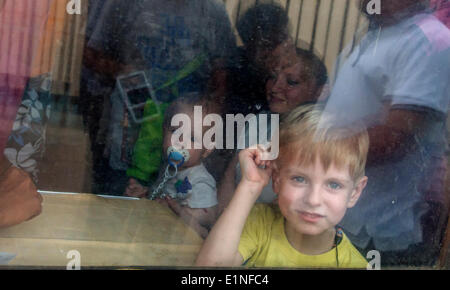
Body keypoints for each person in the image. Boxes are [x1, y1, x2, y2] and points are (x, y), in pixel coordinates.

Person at [320, 0, 450, 266]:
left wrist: (310, 155)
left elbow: (395, 138)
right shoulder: (371, 36)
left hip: (386, 231)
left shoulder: (427, 39)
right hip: (344, 215)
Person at [84, 0, 236, 195]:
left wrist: (204, 134)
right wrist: (124, 72)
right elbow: (90, 53)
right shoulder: (124, 4)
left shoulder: (211, 11)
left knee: (174, 196)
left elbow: (222, 79)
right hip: (129, 129)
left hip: (186, 137)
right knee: (117, 196)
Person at [196, 104, 369, 268]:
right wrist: (250, 185)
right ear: (277, 180)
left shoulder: (355, 265)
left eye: (333, 184)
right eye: (299, 179)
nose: (313, 200)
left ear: (354, 193)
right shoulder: (261, 223)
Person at [218, 45, 328, 214]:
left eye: (291, 82)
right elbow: (229, 176)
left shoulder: (320, 139)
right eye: (272, 77)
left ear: (318, 91)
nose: (275, 87)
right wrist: (223, 221)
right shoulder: (259, 121)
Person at [128, 94, 220, 237]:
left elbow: (208, 217)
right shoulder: (170, 167)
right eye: (175, 131)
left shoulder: (200, 181)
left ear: (207, 149)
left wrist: (176, 210)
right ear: (164, 131)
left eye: (192, 138)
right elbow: (164, 194)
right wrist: (146, 193)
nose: (180, 142)